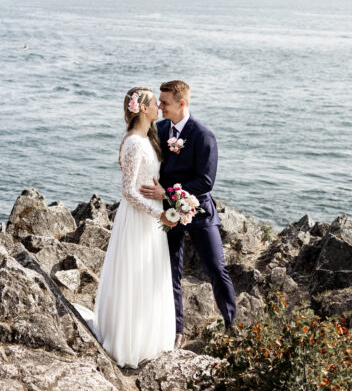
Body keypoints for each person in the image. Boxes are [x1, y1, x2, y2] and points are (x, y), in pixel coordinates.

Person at [77, 87, 176, 367]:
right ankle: (129, 342)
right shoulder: (133, 142)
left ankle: (148, 339)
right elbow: (129, 192)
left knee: (150, 278)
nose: (159, 107)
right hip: (137, 221)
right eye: (155, 104)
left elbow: (150, 182)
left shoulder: (149, 139)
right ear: (143, 109)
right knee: (135, 277)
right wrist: (160, 215)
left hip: (152, 221)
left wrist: (163, 199)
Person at [141, 79, 236, 346]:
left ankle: (232, 325)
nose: (160, 107)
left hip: (199, 213)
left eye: (165, 103)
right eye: (159, 102)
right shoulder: (158, 129)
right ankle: (176, 331)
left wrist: (168, 193)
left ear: (182, 103)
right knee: (171, 271)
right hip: (167, 216)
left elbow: (206, 182)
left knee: (216, 268)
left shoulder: (203, 135)